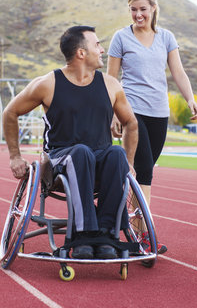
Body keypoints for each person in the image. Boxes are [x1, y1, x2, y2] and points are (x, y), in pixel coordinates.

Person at [3, 25, 138, 260]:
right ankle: (84, 233)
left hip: (98, 163)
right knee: (81, 152)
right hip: (59, 160)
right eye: (97, 45)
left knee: (116, 156)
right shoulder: (48, 83)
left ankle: (106, 234)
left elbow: (131, 124)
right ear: (81, 53)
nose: (102, 50)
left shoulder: (110, 85)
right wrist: (15, 156)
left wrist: (129, 162)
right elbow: (10, 112)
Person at [107, 0, 197, 254]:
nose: (138, 15)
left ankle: (129, 228)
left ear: (154, 8)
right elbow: (111, 79)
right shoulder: (121, 38)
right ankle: (143, 237)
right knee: (144, 171)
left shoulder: (166, 38)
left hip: (160, 113)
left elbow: (178, 72)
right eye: (133, 10)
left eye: (143, 9)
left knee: (141, 174)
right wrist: (113, 112)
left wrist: (190, 99)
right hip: (131, 111)